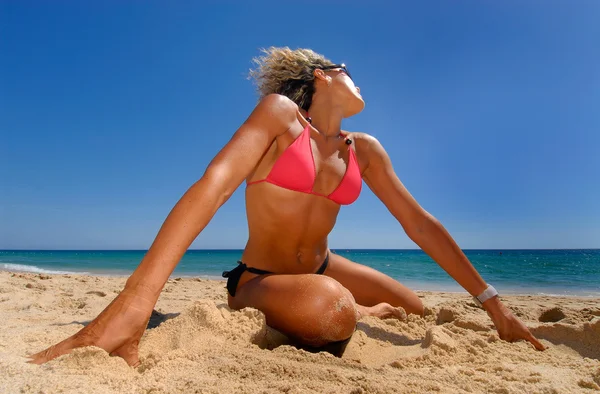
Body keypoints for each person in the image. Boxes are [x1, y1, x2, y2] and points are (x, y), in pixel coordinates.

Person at [29, 47, 545, 367]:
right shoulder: (280, 117)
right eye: (350, 72)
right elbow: (215, 184)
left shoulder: (364, 150)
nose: (360, 82)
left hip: (323, 262)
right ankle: (347, 305)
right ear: (322, 75)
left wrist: (493, 304)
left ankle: (364, 303)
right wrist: (135, 301)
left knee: (413, 307)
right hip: (260, 276)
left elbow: (419, 224)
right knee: (333, 310)